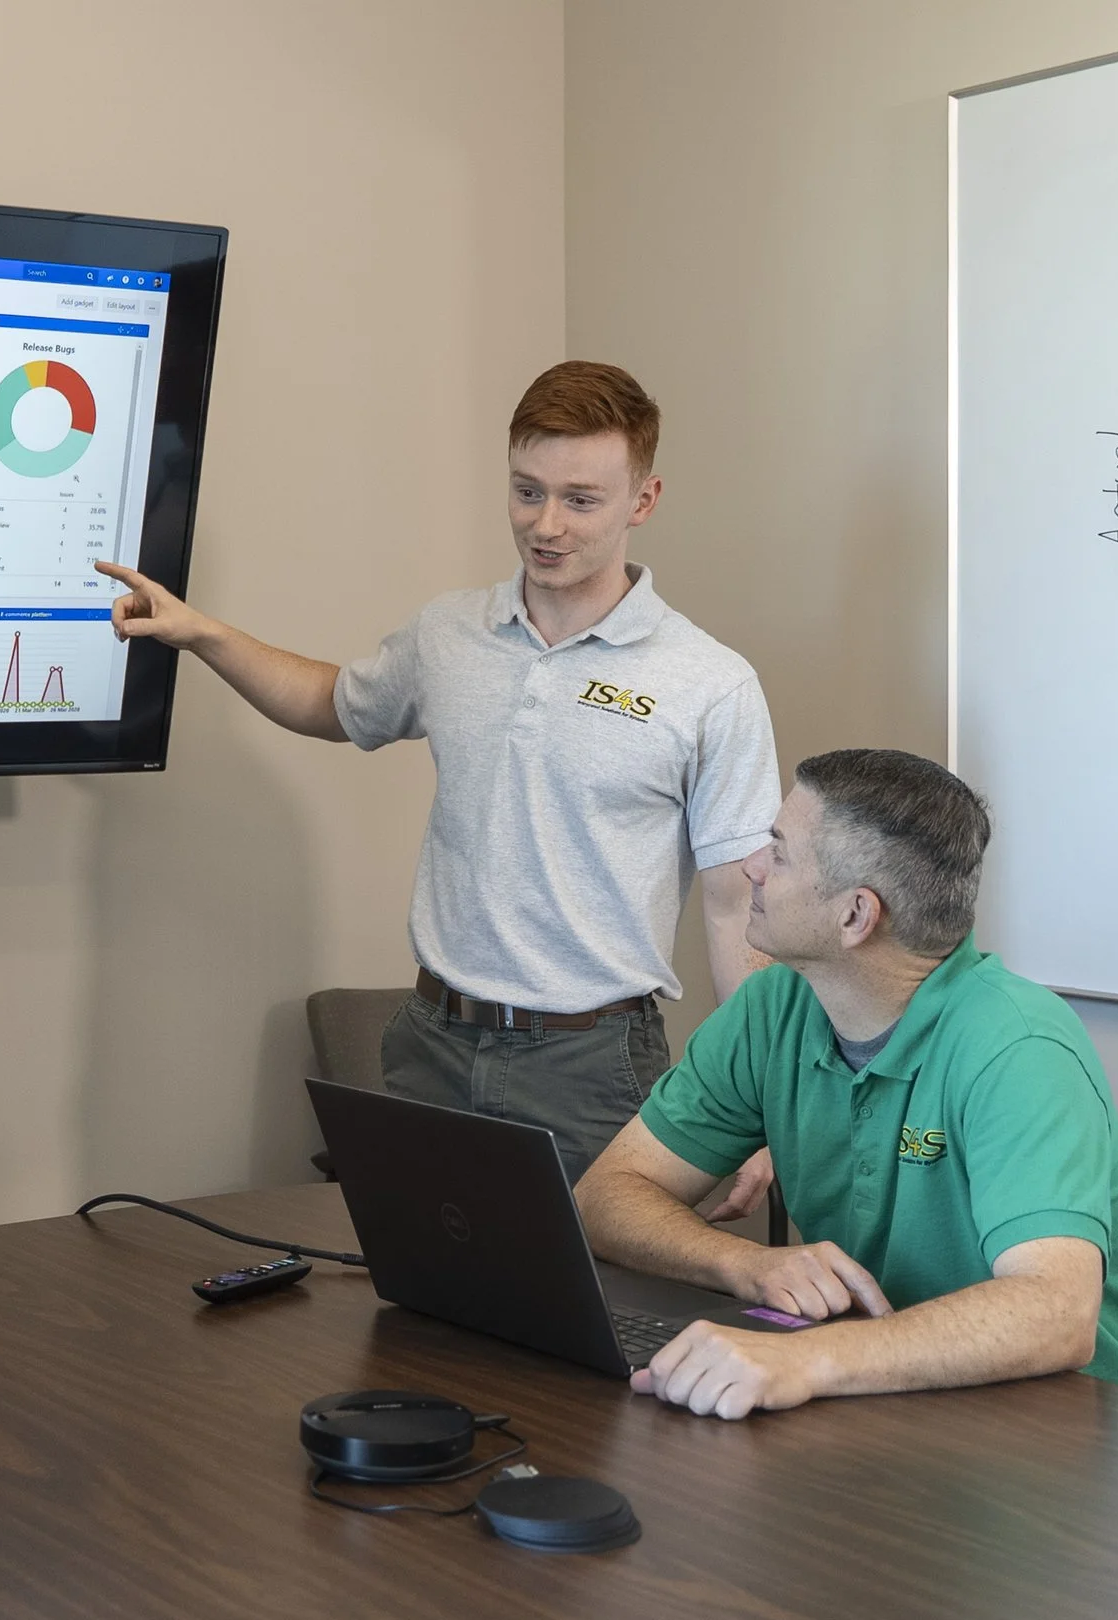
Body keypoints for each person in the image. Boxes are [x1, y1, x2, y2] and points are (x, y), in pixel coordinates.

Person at [99, 361, 782, 1179]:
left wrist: (764, 1108)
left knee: (596, 1270)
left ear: (644, 499)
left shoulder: (711, 684)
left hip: (592, 1065)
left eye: (580, 500)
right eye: (527, 492)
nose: (546, 525)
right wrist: (200, 632)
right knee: (412, 1265)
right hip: (432, 1043)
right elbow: (331, 703)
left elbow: (740, 912)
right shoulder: (450, 634)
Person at [574, 748, 1118, 1418]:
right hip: (886, 1392)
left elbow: (1056, 1314)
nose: (752, 868)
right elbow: (605, 1196)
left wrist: (807, 1359)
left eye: (779, 852)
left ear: (856, 915)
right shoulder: (773, 1008)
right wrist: (745, 1265)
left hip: (1072, 1424)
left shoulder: (1019, 1047)